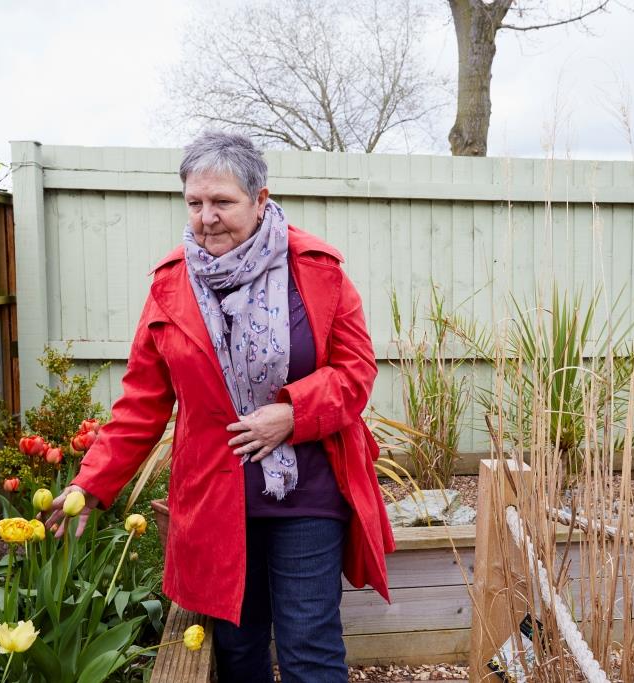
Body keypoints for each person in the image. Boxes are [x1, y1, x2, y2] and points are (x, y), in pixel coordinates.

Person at [45, 130, 395, 683]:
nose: (206, 217)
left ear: (260, 199)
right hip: (215, 497)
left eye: (223, 202)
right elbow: (141, 403)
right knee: (237, 652)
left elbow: (357, 372)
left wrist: (294, 414)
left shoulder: (317, 272)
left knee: (310, 649)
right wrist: (90, 487)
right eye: (195, 202)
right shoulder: (171, 286)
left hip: (308, 492)